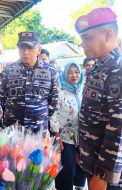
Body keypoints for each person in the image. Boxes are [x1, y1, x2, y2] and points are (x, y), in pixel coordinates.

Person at [75, 8, 122, 190]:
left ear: (108, 35)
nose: (82, 44)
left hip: (108, 175)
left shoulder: (117, 69)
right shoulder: (99, 67)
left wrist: (102, 176)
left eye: (87, 37)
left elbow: (118, 128)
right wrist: (83, 151)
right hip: (92, 163)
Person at [0, 32, 59, 133]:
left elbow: (53, 101)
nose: (25, 52)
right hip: (13, 129)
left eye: (30, 48)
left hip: (38, 129)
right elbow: (1, 98)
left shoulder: (50, 71)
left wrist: (39, 114)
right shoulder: (7, 71)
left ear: (38, 50)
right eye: (22, 48)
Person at [50, 62, 85, 190]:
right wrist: (57, 137)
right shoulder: (61, 93)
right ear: (65, 74)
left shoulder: (84, 90)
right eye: (70, 72)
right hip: (66, 137)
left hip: (83, 137)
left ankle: (79, 186)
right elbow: (54, 115)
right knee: (68, 166)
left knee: (81, 165)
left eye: (76, 72)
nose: (74, 75)